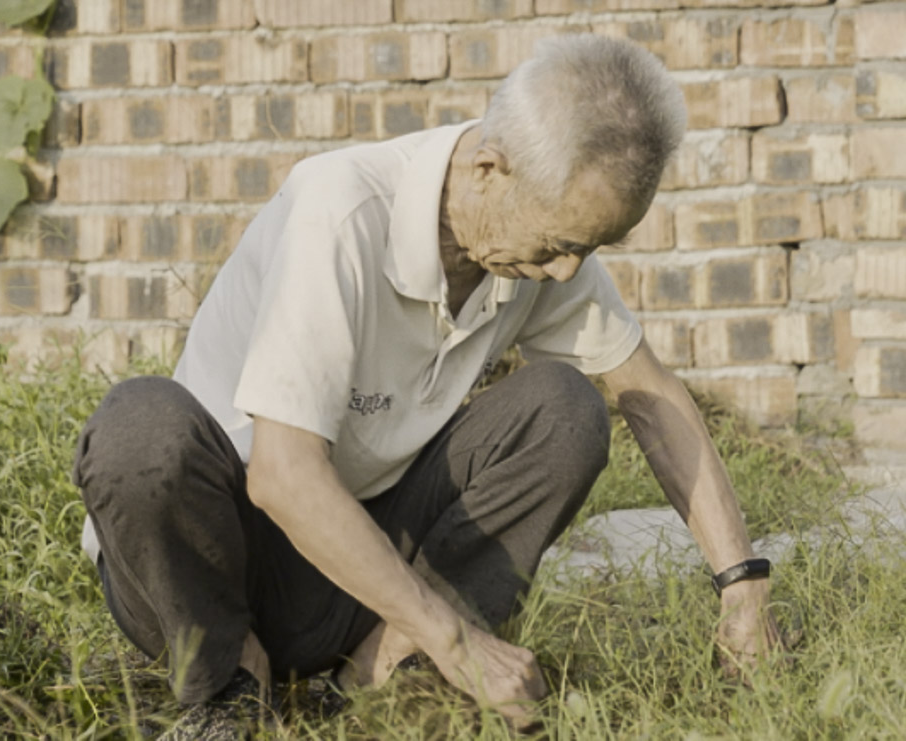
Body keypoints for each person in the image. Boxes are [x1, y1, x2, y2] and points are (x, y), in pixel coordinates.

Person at [72, 33, 784, 729]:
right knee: (140, 425)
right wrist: (459, 639)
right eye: (563, 243)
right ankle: (224, 687)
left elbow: (650, 397)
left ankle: (379, 672)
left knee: (565, 409)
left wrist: (742, 583)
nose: (569, 271)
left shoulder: (532, 249)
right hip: (200, 570)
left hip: (344, 574)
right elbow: (283, 477)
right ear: (488, 167)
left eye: (591, 247)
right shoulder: (342, 210)